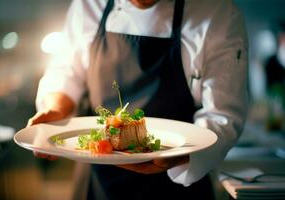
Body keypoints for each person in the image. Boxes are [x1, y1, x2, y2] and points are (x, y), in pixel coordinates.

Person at [28, 0, 248, 199]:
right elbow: (67, 73)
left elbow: (222, 115)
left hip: (176, 186)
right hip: (96, 182)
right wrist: (55, 109)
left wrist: (179, 156)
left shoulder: (218, 13)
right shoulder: (89, 5)